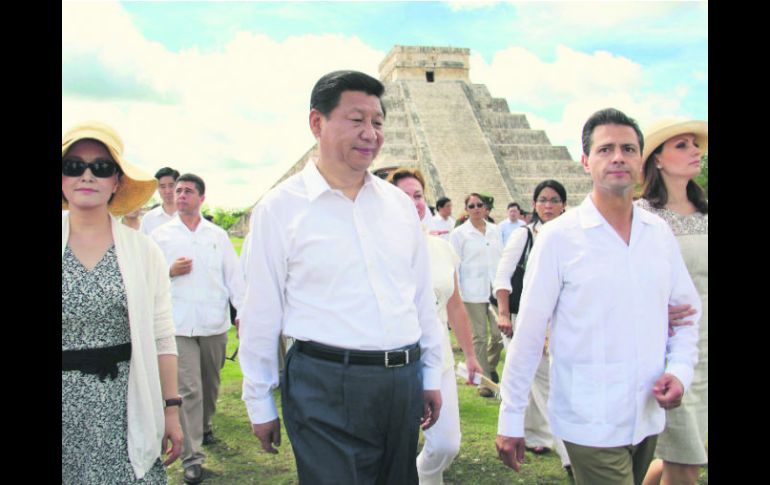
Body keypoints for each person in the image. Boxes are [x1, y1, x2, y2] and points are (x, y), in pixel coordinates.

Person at [238, 70, 444, 484]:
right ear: (317, 123)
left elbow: (420, 298)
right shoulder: (280, 208)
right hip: (325, 383)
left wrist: (431, 373)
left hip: (401, 381)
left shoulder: (399, 206)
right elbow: (261, 310)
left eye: (378, 122)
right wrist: (259, 400)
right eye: (357, 120)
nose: (371, 133)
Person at [495, 108, 701, 485]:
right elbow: (528, 331)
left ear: (641, 160)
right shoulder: (559, 237)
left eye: (628, 148)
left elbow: (686, 316)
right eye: (606, 149)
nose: (619, 157)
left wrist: (680, 370)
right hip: (589, 416)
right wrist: (511, 416)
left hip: (647, 413)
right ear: (586, 161)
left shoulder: (658, 234)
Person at [62, 121, 183, 484]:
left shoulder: (143, 251)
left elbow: (162, 337)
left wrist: (171, 411)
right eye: (73, 166)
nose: (86, 175)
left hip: (126, 403)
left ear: (116, 181)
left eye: (100, 167)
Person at [387, 168, 484, 485]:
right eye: (403, 196)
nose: (413, 202)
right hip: (391, 362)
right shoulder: (377, 249)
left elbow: (454, 305)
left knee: (446, 444)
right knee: (391, 448)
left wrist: (470, 355)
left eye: (417, 195)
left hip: (437, 358)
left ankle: (423, 477)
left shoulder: (442, 248)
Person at [150, 173, 245, 484]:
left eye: (188, 191)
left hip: (214, 325)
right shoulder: (161, 237)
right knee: (189, 390)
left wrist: (242, 312)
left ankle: (203, 427)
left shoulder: (217, 235)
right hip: (178, 326)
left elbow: (234, 278)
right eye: (177, 191)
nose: (180, 196)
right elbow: (148, 279)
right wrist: (169, 271)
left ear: (201, 199)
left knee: (210, 385)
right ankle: (193, 459)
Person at [636, 119, 708, 485]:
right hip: (674, 353)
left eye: (694, 145)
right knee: (685, 459)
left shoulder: (706, 212)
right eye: (682, 146)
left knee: (687, 456)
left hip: (708, 347)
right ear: (658, 160)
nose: (695, 151)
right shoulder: (642, 217)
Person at [493, 180, 571, 473]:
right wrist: (503, 314)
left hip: (564, 319)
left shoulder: (573, 235)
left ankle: (538, 435)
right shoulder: (524, 235)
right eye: (542, 200)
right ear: (534, 204)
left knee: (545, 383)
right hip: (529, 319)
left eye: (554, 200)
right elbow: (502, 276)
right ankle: (569, 453)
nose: (548, 206)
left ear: (564, 204)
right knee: (546, 383)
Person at [449, 193, 503, 398]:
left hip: (495, 289)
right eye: (471, 206)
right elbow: (455, 264)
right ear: (466, 209)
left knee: (499, 336)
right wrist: (458, 292)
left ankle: (488, 366)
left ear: (486, 208)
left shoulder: (495, 231)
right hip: (472, 291)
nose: (476, 209)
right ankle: (485, 383)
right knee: (479, 336)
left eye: (480, 205)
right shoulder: (459, 234)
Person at [141, 166, 180, 235]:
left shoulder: (189, 215)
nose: (167, 191)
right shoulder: (148, 218)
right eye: (162, 186)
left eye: (171, 185)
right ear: (157, 188)